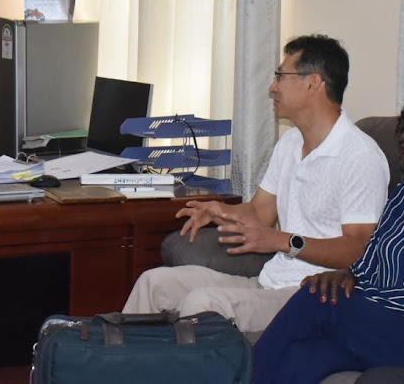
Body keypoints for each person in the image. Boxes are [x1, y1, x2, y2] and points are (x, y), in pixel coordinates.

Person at [122, 35, 389, 333]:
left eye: (280, 77)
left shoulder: (360, 155)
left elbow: (358, 248)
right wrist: (222, 212)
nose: (272, 87)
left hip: (310, 295)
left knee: (204, 304)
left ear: (313, 82)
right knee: (154, 283)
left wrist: (283, 241)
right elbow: (261, 213)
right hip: (269, 282)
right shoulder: (290, 143)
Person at [253, 81, 404, 384]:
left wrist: (362, 297)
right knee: (304, 357)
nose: (402, 136)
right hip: (376, 323)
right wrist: (349, 275)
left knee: (316, 302)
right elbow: (372, 255)